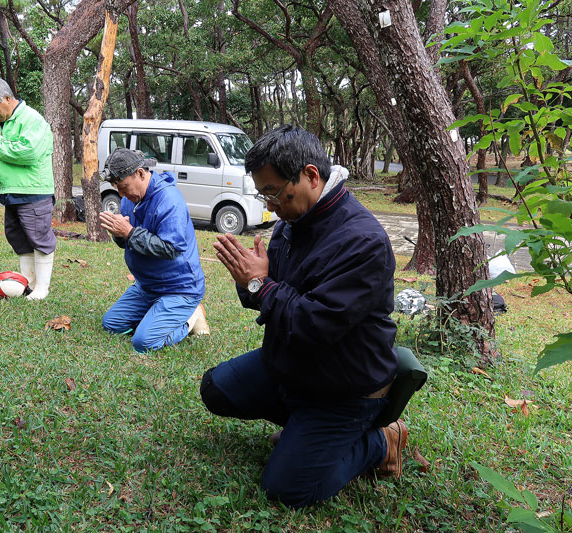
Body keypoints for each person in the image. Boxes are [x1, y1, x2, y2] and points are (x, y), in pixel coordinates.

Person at [201, 125, 406, 509]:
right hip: (294, 368)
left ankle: (381, 441)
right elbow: (267, 296)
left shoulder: (362, 241)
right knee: (215, 389)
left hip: (343, 386)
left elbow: (314, 325)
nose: (270, 204)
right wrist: (253, 283)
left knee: (287, 490)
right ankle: (305, 431)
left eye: (276, 192)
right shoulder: (291, 223)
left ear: (311, 175)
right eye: (263, 194)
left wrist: (261, 285)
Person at [99, 148, 210, 352]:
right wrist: (118, 233)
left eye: (124, 187)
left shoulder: (169, 200)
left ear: (141, 173)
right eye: (118, 189)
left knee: (143, 342)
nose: (121, 195)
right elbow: (127, 241)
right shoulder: (128, 200)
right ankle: (156, 317)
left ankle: (191, 317)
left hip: (179, 288)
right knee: (112, 324)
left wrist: (130, 233)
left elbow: (171, 248)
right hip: (147, 286)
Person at [0, 76, 55, 300]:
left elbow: (28, 153)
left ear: (7, 98)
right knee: (17, 237)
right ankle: (27, 281)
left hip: (33, 191)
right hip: (10, 191)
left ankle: (42, 288)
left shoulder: (32, 120)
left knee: (38, 237)